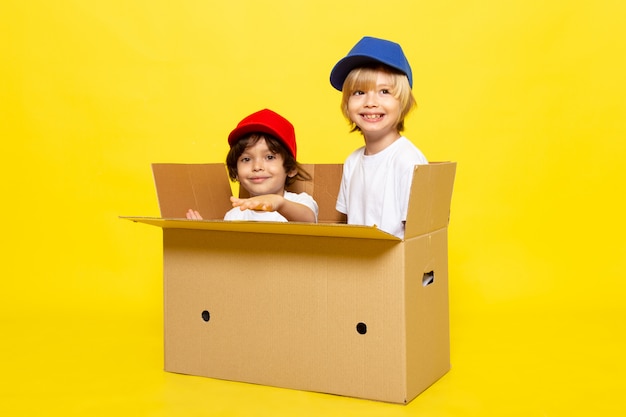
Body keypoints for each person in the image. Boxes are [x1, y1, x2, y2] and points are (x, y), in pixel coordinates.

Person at [329, 36, 428, 239]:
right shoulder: (352, 161)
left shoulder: (407, 161)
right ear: (347, 104)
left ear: (403, 102)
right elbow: (349, 223)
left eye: (384, 91)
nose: (371, 102)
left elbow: (418, 235)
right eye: (359, 92)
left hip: (395, 266)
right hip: (359, 265)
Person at [186, 108, 318, 222]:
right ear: (236, 171)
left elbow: (309, 220)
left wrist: (280, 203)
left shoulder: (300, 202)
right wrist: (204, 239)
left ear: (291, 168)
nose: (257, 167)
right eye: (246, 159)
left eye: (269, 157)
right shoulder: (235, 216)